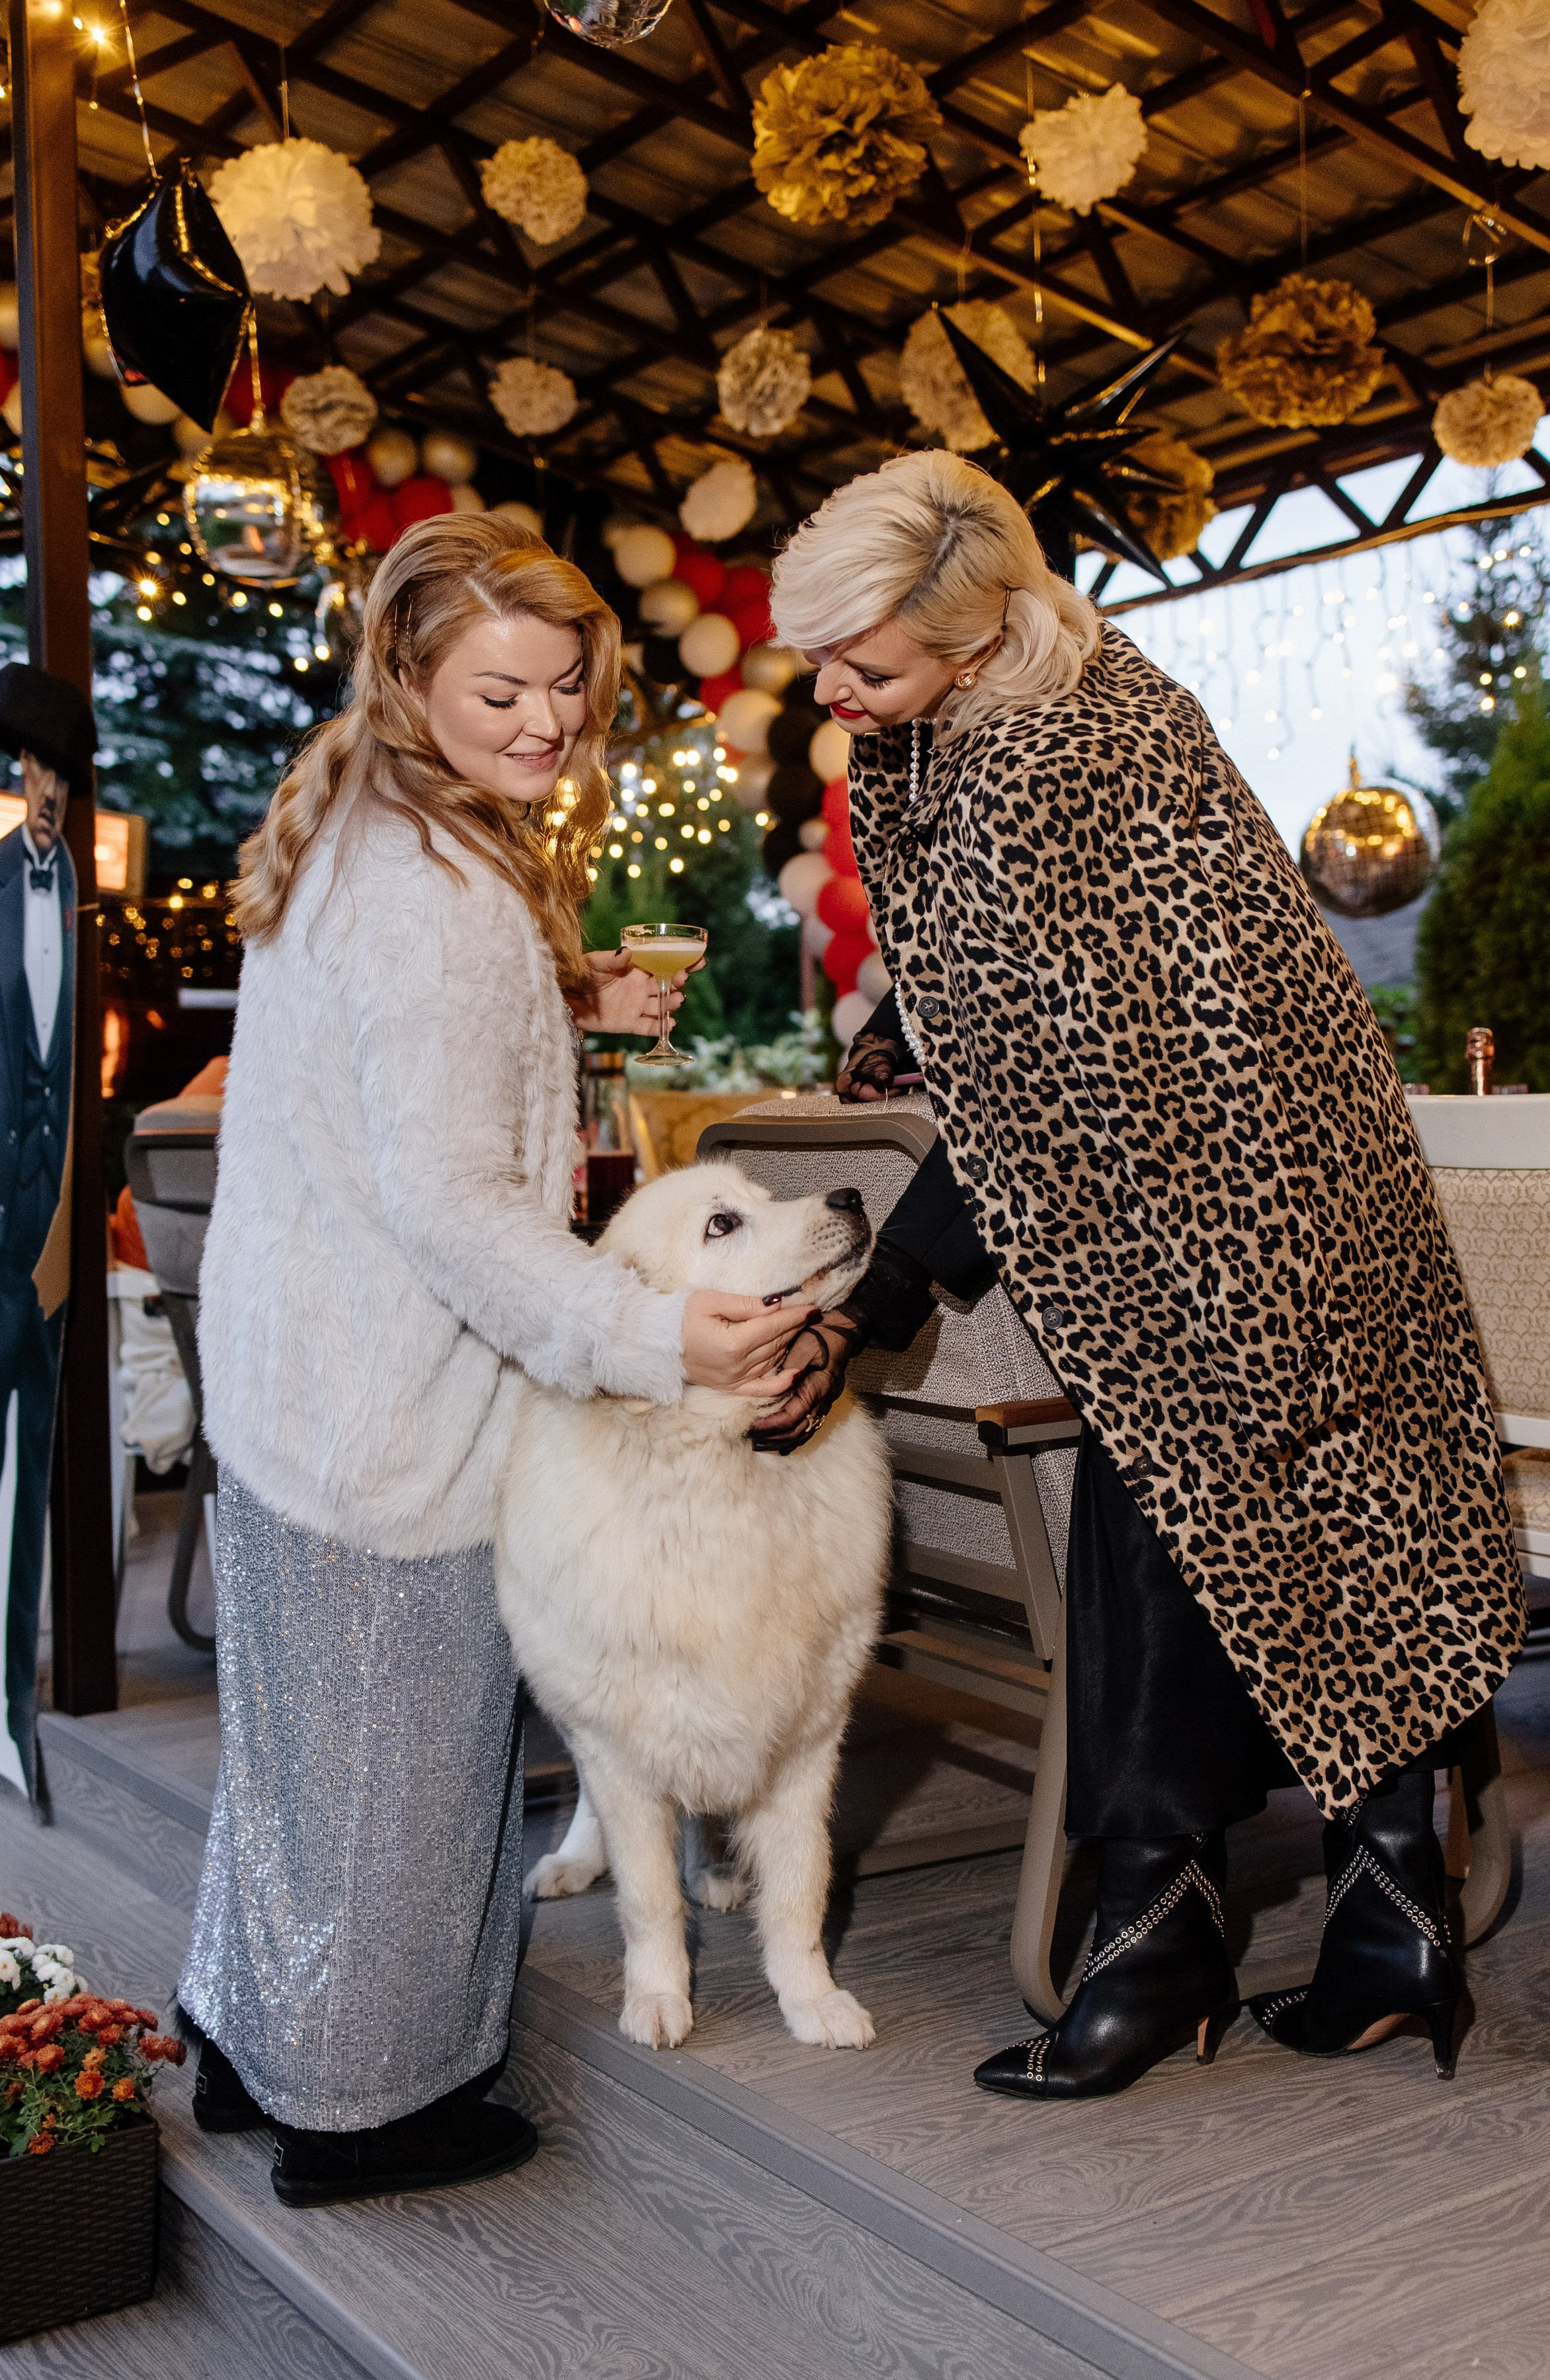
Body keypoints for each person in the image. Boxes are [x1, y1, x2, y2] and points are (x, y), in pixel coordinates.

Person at [756, 450, 1526, 2099]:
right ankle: (1387, 1923)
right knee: (1323, 1516)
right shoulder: (1084, 709)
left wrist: (881, 1298)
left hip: (1232, 1210)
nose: (830, 693)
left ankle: (1160, 1941)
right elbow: (1049, 1050)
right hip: (1296, 1183)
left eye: (864, 666)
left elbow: (1043, 1094)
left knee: (1181, 1505)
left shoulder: (1037, 765)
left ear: (970, 643)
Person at [179, 513, 816, 2205]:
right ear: (405, 678)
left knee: (297, 1758)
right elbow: (459, 1211)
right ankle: (369, 2113)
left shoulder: (367, 837)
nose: (545, 723)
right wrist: (656, 1331)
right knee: (400, 1768)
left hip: (292, 1380)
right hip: (389, 1404)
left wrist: (563, 1012)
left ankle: (252, 2043)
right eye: (503, 689)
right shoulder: (440, 898)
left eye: (566, 690)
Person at [0, 664, 96, 1796]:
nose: (45, 791)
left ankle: (13, 1700)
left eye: (60, 772)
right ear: (16, 775)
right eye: (32, 768)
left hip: (52, 1242)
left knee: (34, 1468)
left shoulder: (86, 907)